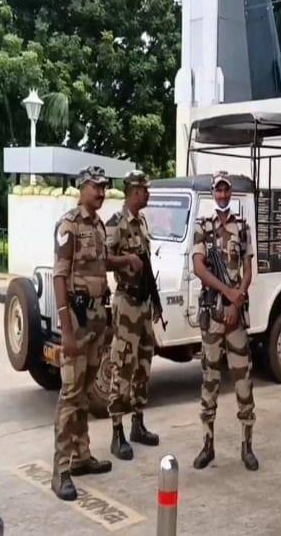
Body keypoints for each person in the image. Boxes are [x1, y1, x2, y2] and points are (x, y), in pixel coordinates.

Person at [50, 166, 113, 501]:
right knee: (70, 396)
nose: (101, 192)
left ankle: (82, 457)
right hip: (77, 322)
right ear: (82, 187)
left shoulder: (99, 226)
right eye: (96, 187)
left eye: (104, 187)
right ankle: (60, 471)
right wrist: (66, 331)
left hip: (97, 321)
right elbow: (60, 277)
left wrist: (125, 260)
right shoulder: (70, 225)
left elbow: (100, 267)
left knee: (86, 392)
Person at [191, 171, 258, 471]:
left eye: (225, 191)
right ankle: (208, 445)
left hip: (234, 317)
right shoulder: (202, 228)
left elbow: (248, 271)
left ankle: (247, 445)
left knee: (243, 382)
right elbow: (199, 269)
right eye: (217, 191)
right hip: (213, 316)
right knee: (210, 381)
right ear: (212, 193)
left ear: (230, 194)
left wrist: (237, 297)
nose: (221, 196)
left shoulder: (242, 228)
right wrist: (227, 293)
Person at [105, 170, 162, 460]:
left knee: (143, 363)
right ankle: (117, 432)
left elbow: (148, 265)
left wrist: (155, 301)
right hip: (126, 302)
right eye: (145, 189)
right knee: (122, 365)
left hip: (143, 304)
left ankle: (138, 422)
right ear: (134, 191)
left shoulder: (141, 223)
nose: (148, 194)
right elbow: (103, 259)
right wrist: (125, 259)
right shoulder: (116, 223)